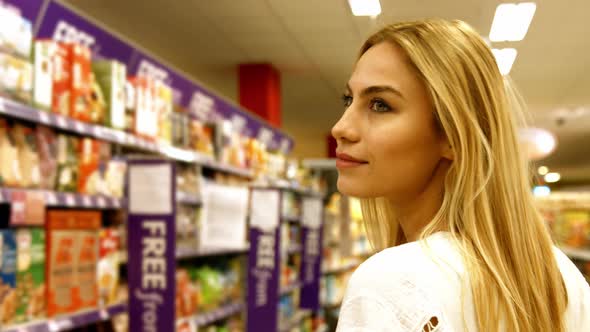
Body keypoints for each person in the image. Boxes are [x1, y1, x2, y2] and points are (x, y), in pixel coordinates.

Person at [331, 19, 590, 332]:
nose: (341, 127)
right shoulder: (560, 275)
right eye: (349, 99)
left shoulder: (391, 284)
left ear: (453, 136)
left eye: (379, 105)